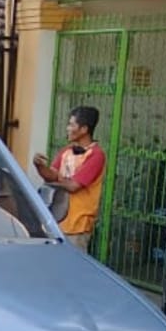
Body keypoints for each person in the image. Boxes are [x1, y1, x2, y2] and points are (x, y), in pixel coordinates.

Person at [34, 106, 106, 251]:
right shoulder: (67, 151)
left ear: (84, 129)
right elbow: (51, 175)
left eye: (72, 125)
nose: (67, 128)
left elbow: (74, 186)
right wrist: (39, 166)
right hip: (58, 220)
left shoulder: (96, 155)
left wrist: (55, 179)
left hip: (77, 225)